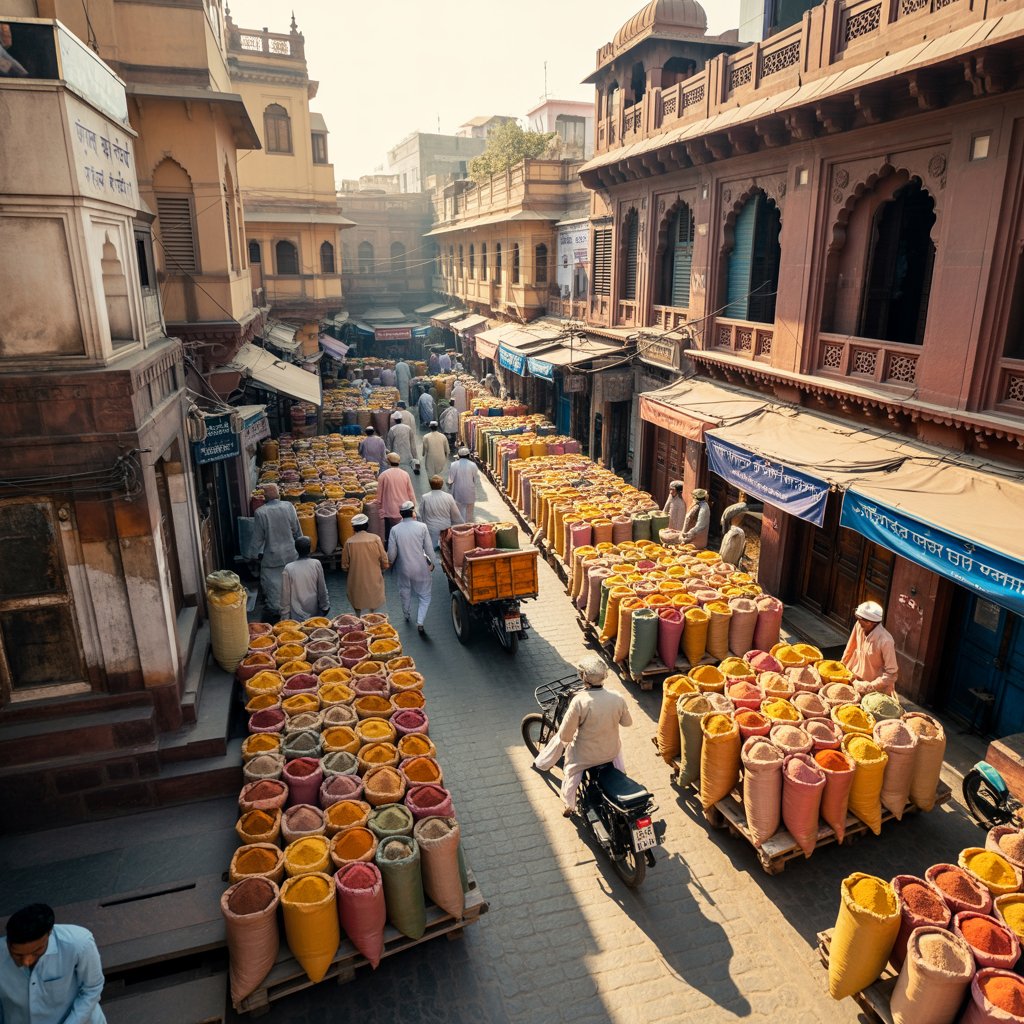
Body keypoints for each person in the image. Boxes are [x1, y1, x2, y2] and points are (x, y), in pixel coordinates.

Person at [533, 656, 632, 817]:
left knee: (572, 772)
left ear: (583, 677)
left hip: (585, 756)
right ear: (604, 676)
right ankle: (621, 777)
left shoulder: (579, 701)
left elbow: (565, 735)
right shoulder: (617, 697)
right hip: (610, 752)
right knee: (617, 750)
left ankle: (569, 804)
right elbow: (627, 723)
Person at [0, 903, 106, 1023]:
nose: (26, 961)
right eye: (18, 955)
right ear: (7, 942)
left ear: (49, 933)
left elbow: (92, 988)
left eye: (36, 951)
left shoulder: (79, 943)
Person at [250, 482, 301, 620]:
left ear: (265, 497)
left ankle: (279, 617)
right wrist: (302, 545)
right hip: (291, 553)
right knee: (292, 584)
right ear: (278, 494)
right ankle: (295, 613)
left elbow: (257, 538)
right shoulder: (288, 506)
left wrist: (252, 555)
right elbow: (297, 529)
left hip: (272, 558)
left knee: (274, 589)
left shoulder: (260, 512)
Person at [387, 501, 434, 636]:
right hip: (420, 567)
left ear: (401, 514)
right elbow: (429, 549)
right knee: (424, 596)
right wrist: (432, 563)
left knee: (405, 591)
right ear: (413, 512)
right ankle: (420, 622)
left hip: (403, 568)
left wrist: (390, 563)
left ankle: (407, 614)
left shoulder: (395, 530)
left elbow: (392, 554)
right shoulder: (422, 527)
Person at [842, 601, 899, 696]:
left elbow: (891, 674)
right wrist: (841, 667)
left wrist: (870, 687)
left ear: (871, 622)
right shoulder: (859, 626)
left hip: (876, 690)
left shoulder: (886, 641)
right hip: (856, 679)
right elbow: (850, 648)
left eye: (860, 619)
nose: (858, 621)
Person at [341, 513, 389, 615]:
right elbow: (385, 562)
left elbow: (344, 566)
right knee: (376, 614)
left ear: (353, 528)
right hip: (374, 580)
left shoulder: (349, 542)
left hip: (356, 582)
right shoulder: (376, 539)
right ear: (367, 525)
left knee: (359, 612)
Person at [280, 536, 329, 621]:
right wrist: (325, 606)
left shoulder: (289, 568)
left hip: (296, 614)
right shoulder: (316, 564)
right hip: (314, 611)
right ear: (310, 549)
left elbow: (285, 595)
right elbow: (322, 588)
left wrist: (285, 616)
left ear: (296, 549)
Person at [375, 452, 416, 541]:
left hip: (388, 511)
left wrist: (379, 510)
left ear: (388, 462)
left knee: (390, 536)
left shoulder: (383, 475)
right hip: (404, 510)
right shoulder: (405, 474)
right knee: (403, 535)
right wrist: (413, 507)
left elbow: (379, 497)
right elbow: (411, 493)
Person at [420, 475, 463, 548]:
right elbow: (455, 514)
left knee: (432, 549)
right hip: (445, 528)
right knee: (445, 549)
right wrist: (462, 524)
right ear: (442, 485)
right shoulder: (448, 497)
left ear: (430, 485)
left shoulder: (425, 497)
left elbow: (421, 514)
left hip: (431, 529)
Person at [447, 447, 479, 521]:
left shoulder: (453, 464)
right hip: (470, 490)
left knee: (459, 510)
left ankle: (460, 525)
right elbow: (475, 478)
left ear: (458, 455)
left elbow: (450, 480)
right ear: (468, 455)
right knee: (470, 511)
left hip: (458, 491)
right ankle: (469, 525)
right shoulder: (473, 465)